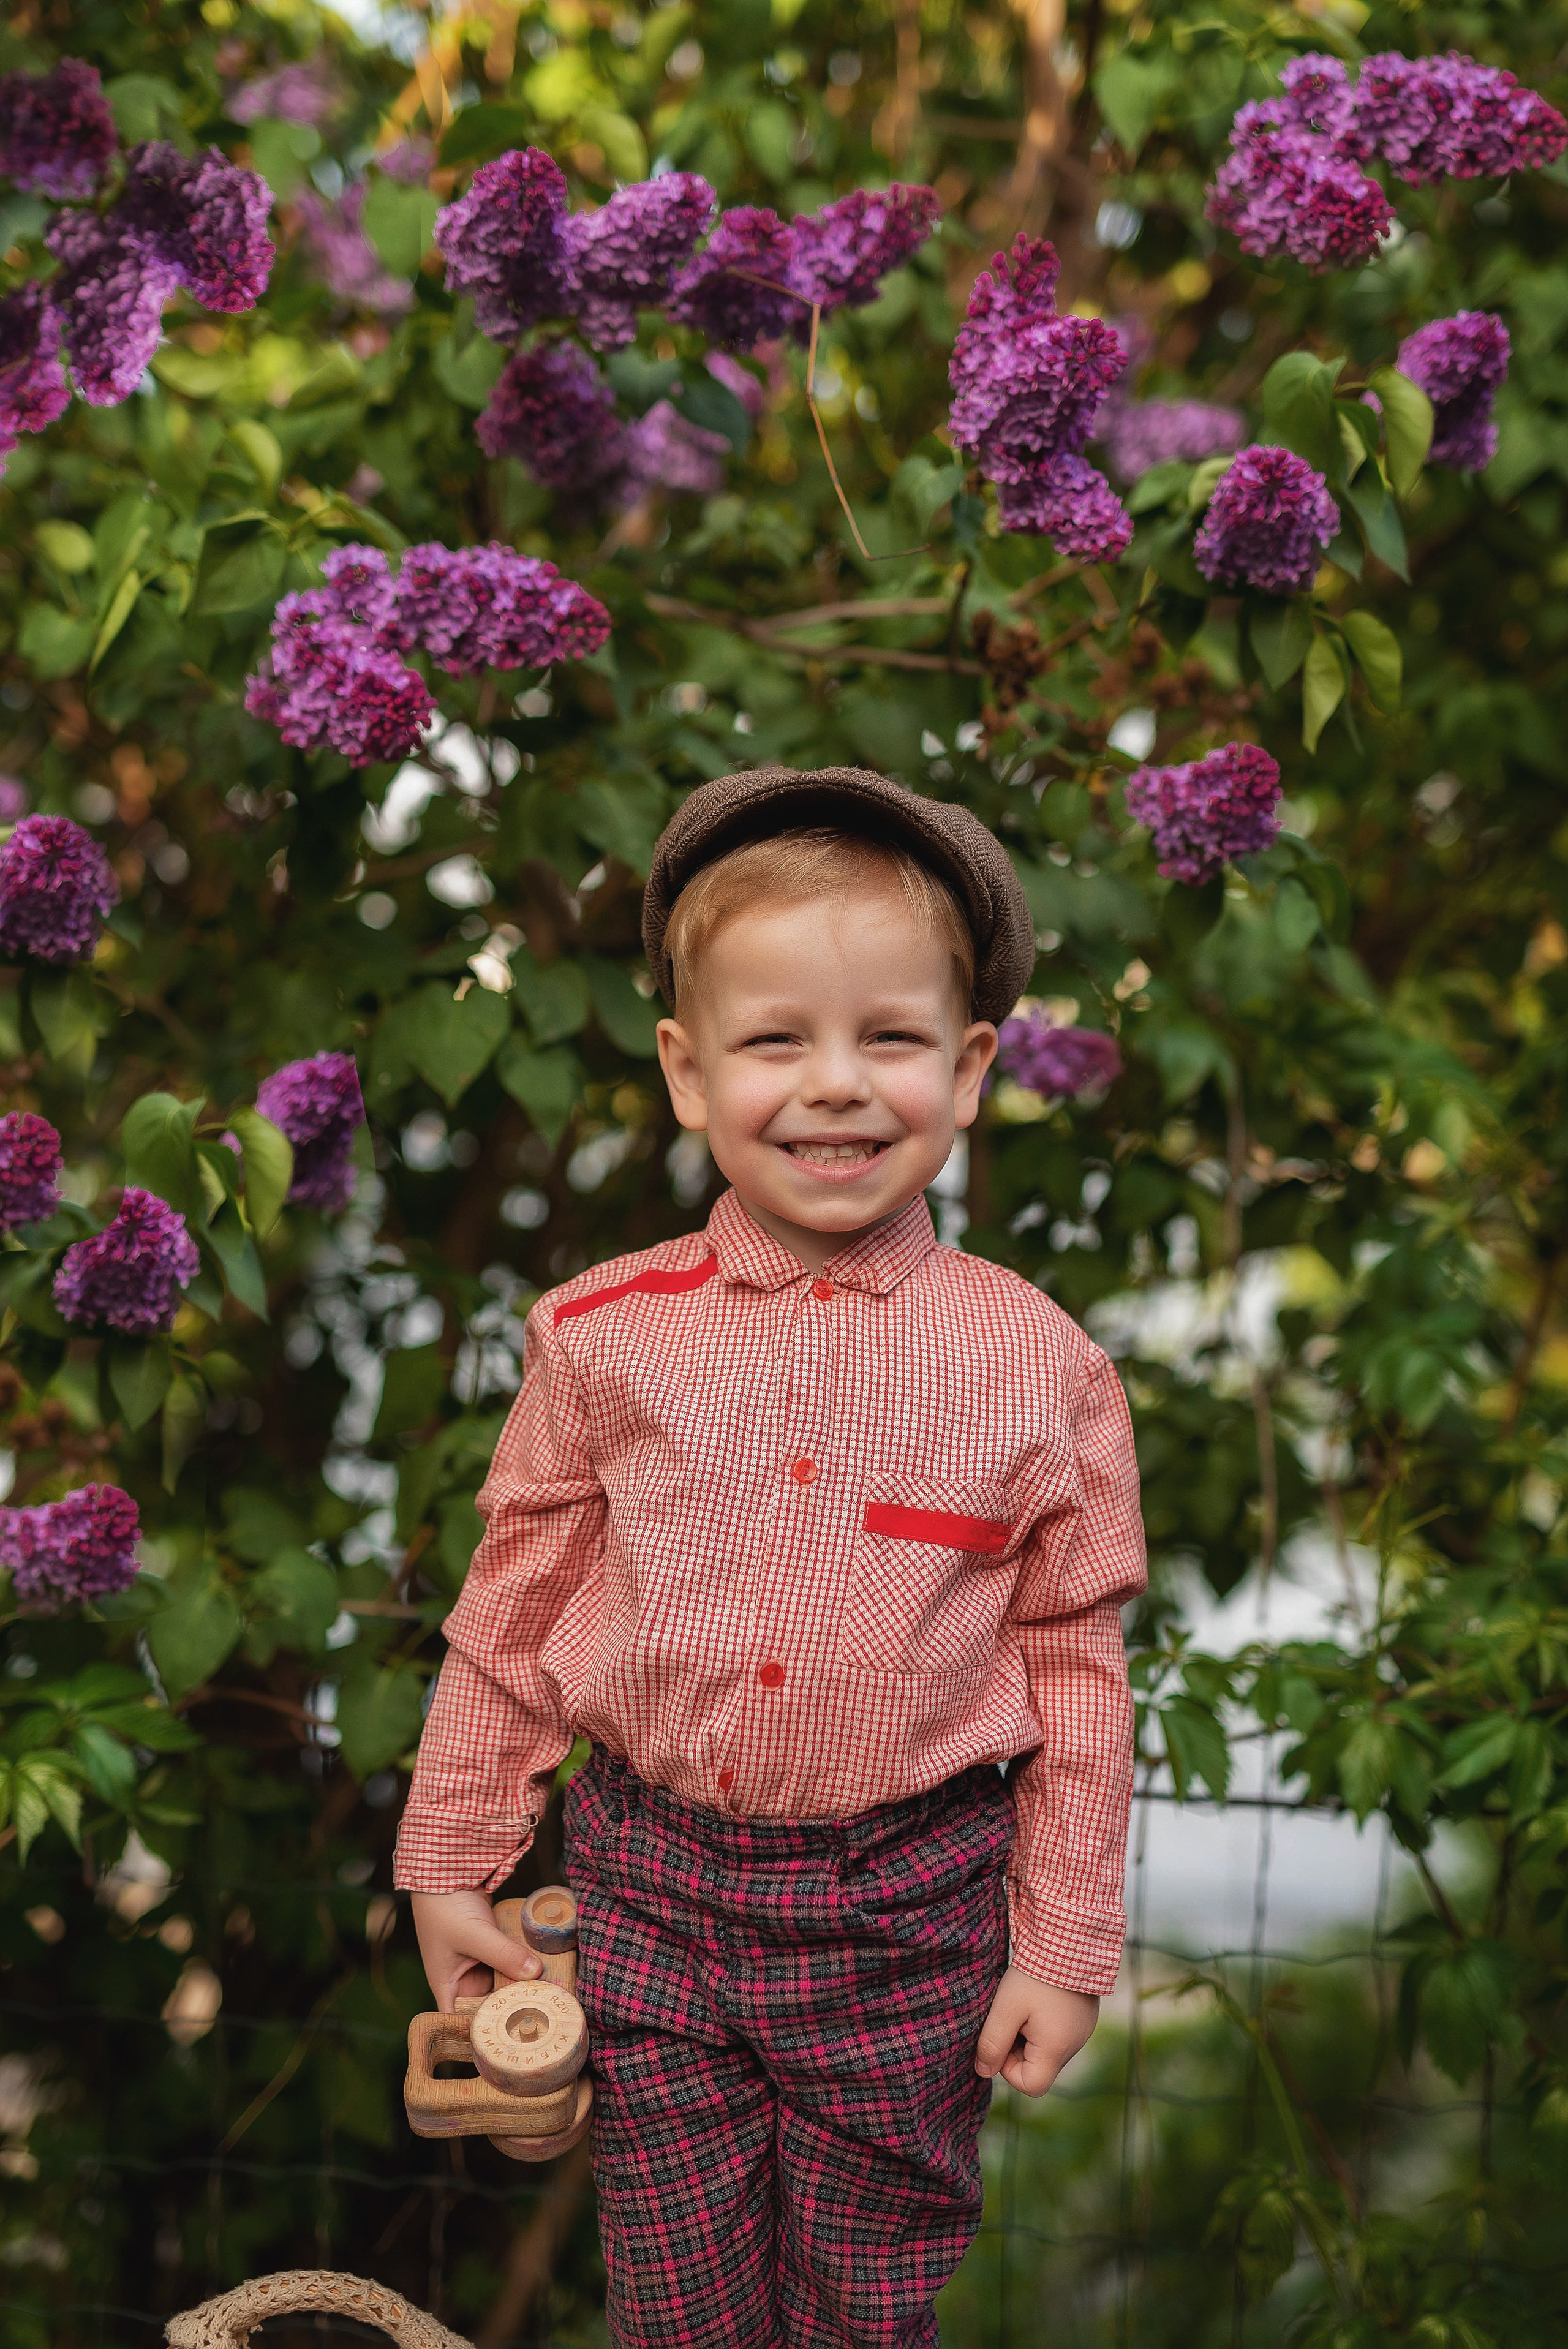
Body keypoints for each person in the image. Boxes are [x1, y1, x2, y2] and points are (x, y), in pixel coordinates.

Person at [394, 764, 1147, 2347]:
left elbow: (1076, 1669)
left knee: (864, 2309)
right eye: (776, 1040)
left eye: (891, 1038)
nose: (837, 1086)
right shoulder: (600, 1338)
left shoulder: (1042, 1370)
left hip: (909, 1918)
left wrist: (1066, 1946)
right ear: (688, 1070)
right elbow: (515, 1613)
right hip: (653, 1893)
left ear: (972, 1064)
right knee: (678, 2303)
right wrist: (454, 1855)